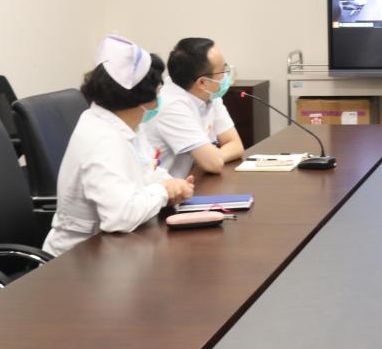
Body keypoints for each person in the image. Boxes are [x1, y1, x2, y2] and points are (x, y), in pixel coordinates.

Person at [44, 36, 195, 257]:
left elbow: (145, 169)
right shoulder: (102, 139)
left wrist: (170, 184)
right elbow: (119, 217)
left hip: (115, 250)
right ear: (142, 99)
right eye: (157, 91)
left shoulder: (124, 123)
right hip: (79, 259)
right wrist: (163, 191)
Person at [143, 38, 244, 178]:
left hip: (191, 182)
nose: (226, 75)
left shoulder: (209, 93)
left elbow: (235, 145)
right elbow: (213, 164)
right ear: (202, 82)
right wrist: (210, 159)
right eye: (222, 70)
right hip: (165, 188)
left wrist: (211, 158)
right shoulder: (171, 106)